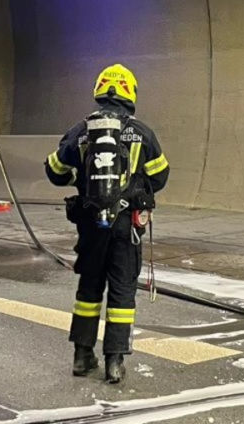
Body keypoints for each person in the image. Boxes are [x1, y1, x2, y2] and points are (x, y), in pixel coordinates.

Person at [44, 63, 170, 383]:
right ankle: (114, 361)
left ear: (99, 90)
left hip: (90, 225)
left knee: (89, 288)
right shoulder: (142, 133)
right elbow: (160, 176)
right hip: (126, 227)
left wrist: (80, 177)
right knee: (122, 290)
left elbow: (54, 171)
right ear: (130, 93)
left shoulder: (80, 130)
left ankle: (82, 356)